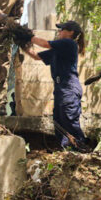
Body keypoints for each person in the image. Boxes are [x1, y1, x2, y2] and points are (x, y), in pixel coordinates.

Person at [22, 21, 89, 150]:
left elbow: (44, 44)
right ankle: (66, 149)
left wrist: (27, 36)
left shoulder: (69, 43)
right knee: (59, 122)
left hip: (68, 87)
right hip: (60, 88)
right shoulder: (58, 49)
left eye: (62, 29)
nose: (59, 32)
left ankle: (81, 147)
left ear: (70, 32)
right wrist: (22, 44)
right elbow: (36, 56)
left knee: (69, 119)